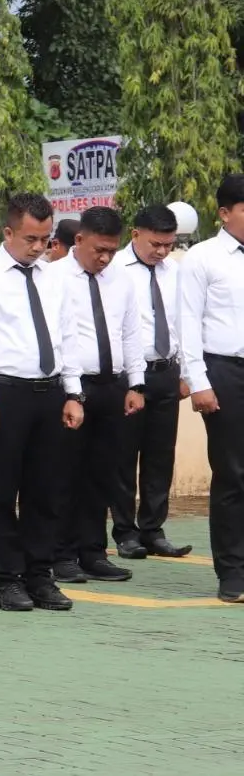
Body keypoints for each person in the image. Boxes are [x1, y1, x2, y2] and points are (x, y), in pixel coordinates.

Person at [0, 193, 82, 613]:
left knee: (45, 490)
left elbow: (67, 338)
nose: (38, 247)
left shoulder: (53, 278)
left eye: (46, 239)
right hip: (5, 393)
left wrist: (72, 392)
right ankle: (6, 579)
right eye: (30, 238)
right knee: (3, 490)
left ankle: (39, 574)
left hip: (49, 393)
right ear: (8, 232)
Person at [45, 205, 142, 584]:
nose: (104, 258)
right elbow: (55, 338)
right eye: (98, 250)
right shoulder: (53, 277)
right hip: (72, 387)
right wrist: (71, 391)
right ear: (79, 240)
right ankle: (61, 554)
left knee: (103, 474)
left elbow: (131, 333)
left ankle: (93, 551)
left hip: (112, 385)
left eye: (111, 251)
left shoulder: (120, 279)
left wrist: (136, 383)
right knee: (64, 473)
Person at [178, 173, 244, 602]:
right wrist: (199, 382)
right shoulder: (202, 258)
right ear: (225, 213)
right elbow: (187, 324)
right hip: (225, 373)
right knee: (233, 474)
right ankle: (233, 572)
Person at [111, 204, 189, 559]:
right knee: (124, 454)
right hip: (130, 375)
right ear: (136, 234)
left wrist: (186, 373)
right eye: (155, 244)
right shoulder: (114, 269)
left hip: (166, 371)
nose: (161, 252)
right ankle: (125, 531)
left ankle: (153, 529)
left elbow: (182, 324)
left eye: (168, 245)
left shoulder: (175, 271)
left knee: (161, 455)